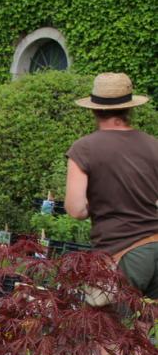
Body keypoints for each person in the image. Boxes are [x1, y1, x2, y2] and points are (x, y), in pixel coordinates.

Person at [66, 72, 157, 299]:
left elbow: (75, 210)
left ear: (94, 109)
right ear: (129, 108)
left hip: (122, 254)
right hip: (155, 246)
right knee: (147, 329)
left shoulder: (84, 148)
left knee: (107, 330)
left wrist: (94, 205)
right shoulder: (153, 145)